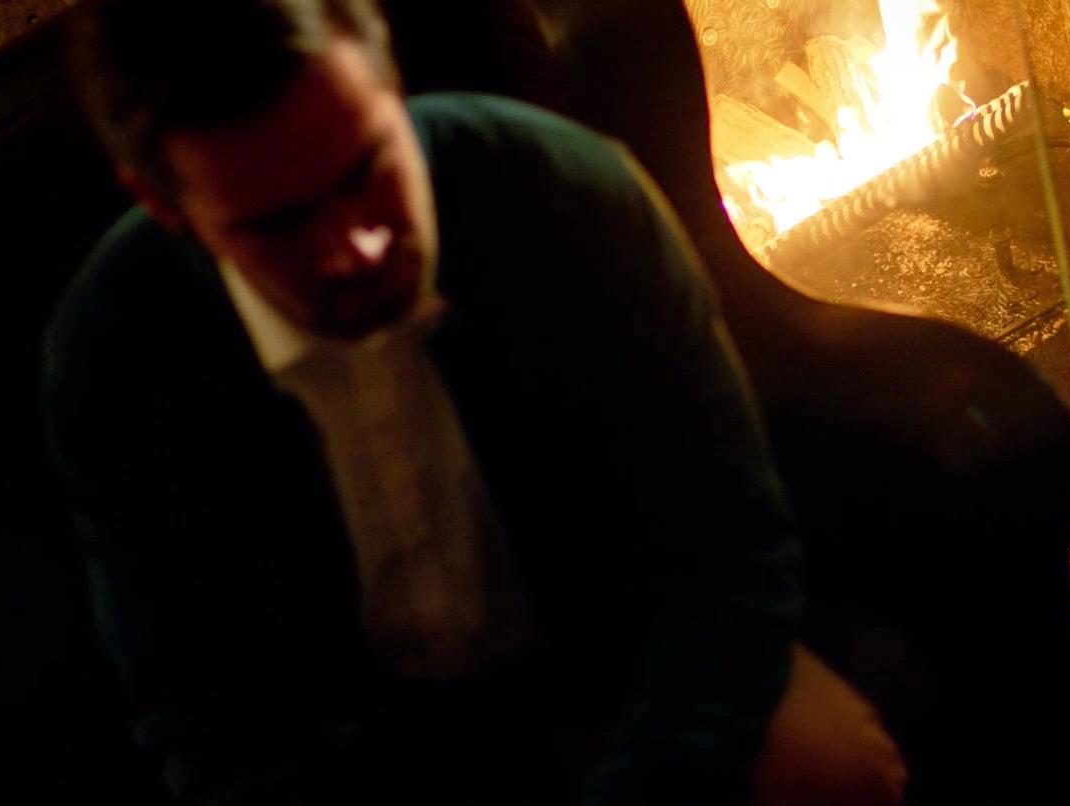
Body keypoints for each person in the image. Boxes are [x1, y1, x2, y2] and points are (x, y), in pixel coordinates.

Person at [44, 0, 903, 802]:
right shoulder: (113, 348)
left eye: (368, 170)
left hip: (627, 670)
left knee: (830, 766)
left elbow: (729, 555)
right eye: (280, 224)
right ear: (164, 205)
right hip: (361, 749)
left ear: (392, 86)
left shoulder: (567, 194)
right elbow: (203, 713)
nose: (355, 246)